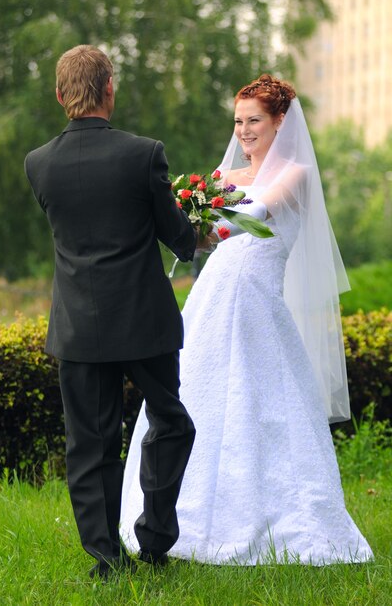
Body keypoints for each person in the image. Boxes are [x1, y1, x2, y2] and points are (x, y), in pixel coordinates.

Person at [120, 75, 374, 565]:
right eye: (238, 121)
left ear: (281, 121)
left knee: (264, 400)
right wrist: (179, 218)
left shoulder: (295, 174)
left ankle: (275, 516)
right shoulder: (226, 177)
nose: (243, 131)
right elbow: (205, 229)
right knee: (197, 392)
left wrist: (203, 216)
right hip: (213, 293)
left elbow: (252, 214)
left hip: (258, 299)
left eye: (254, 120)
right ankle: (171, 517)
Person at [24, 45, 214, 579]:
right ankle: (154, 544)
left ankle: (105, 558)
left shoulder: (38, 164)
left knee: (89, 443)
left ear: (60, 95)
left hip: (77, 327)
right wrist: (197, 229)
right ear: (110, 88)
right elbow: (177, 234)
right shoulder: (143, 154)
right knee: (171, 424)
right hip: (144, 322)